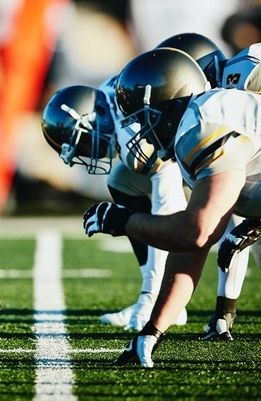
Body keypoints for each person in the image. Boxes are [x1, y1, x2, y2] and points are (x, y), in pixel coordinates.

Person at [82, 46, 261, 367]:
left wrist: (125, 222)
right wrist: (152, 331)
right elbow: (191, 247)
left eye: (143, 118)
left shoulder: (201, 126)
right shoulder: (200, 123)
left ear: (168, 105)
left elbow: (197, 232)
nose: (139, 130)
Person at [41, 82, 188, 332]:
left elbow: (168, 206)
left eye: (85, 143)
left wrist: (150, 294)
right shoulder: (110, 103)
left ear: (93, 116)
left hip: (217, 139)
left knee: (225, 221)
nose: (90, 152)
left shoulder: (129, 129)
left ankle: (166, 301)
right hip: (184, 144)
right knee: (122, 180)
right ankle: (161, 299)